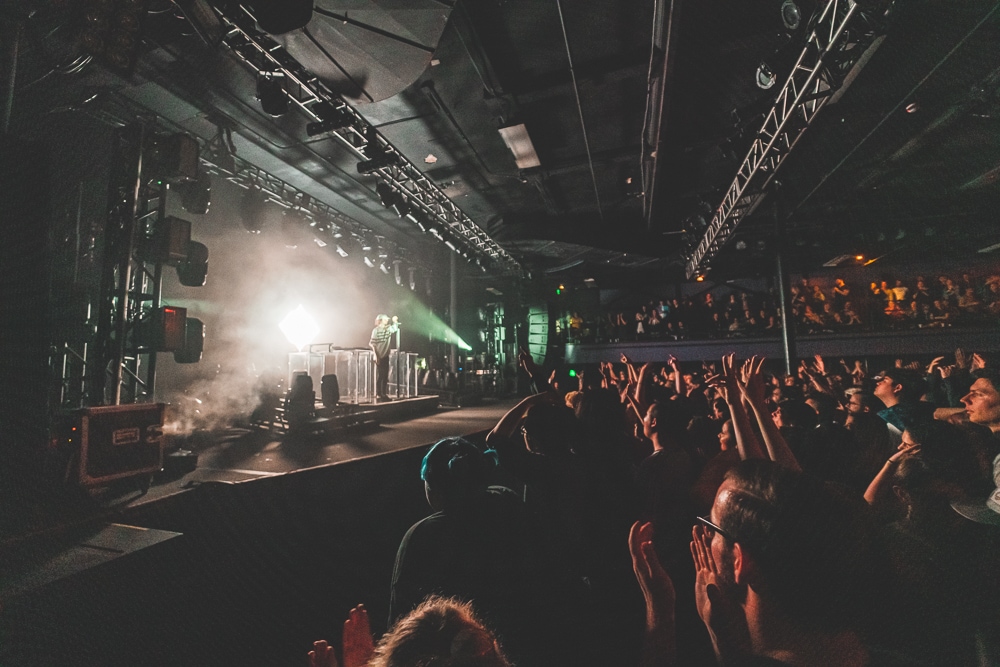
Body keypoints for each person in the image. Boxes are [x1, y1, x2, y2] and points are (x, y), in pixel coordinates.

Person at [370, 314, 399, 401]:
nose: (387, 320)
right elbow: (372, 344)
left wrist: (395, 321)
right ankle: (380, 394)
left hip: (385, 356)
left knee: (384, 375)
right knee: (382, 375)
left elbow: (395, 328)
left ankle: (382, 393)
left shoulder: (388, 329)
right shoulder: (376, 330)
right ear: (380, 320)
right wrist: (376, 355)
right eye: (385, 319)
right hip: (379, 355)